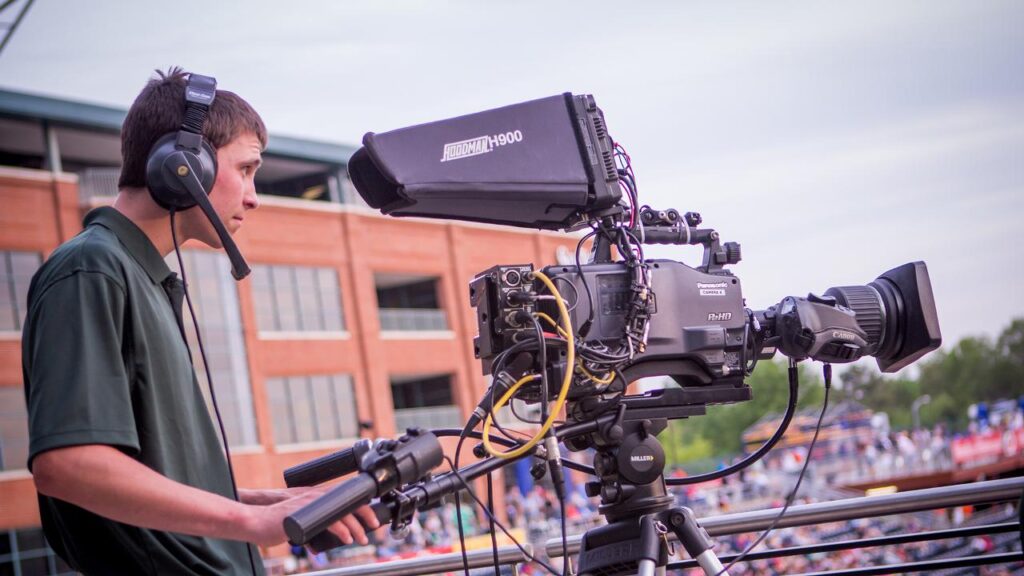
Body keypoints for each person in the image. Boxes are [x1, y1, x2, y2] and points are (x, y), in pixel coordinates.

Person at [21, 68, 377, 575]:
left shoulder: (135, 274)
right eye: (247, 169)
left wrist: (266, 503)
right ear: (185, 166)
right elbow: (69, 465)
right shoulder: (91, 269)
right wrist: (248, 522)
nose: (253, 196)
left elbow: (157, 476)